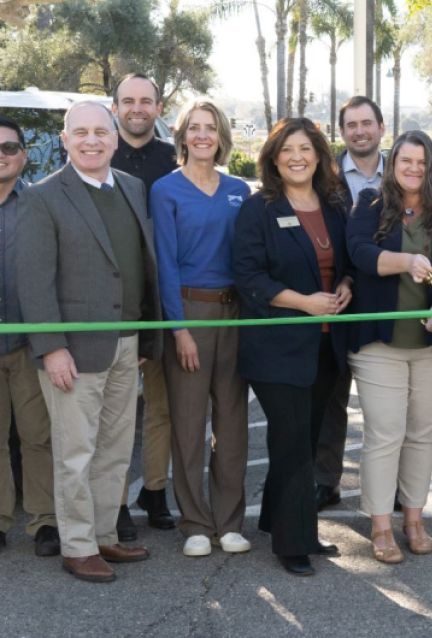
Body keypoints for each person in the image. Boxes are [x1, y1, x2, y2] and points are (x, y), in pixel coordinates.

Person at [18, 101, 161, 582]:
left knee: (115, 450)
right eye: (81, 133)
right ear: (65, 139)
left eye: (101, 132)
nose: (92, 141)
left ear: (115, 138)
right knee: (75, 452)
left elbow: (137, 263)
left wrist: (144, 332)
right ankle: (77, 546)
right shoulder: (44, 197)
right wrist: (51, 347)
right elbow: (33, 282)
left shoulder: (132, 188)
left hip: (126, 342)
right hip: (73, 351)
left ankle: (104, 536)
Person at [233, 118, 352, 576]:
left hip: (326, 347)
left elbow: (347, 263)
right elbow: (249, 276)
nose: (297, 157)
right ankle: (294, 542)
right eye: (287, 150)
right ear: (273, 158)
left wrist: (344, 286)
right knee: (292, 443)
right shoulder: (259, 208)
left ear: (319, 155)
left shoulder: (334, 206)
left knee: (306, 437)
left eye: (305, 148)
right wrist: (305, 302)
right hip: (276, 345)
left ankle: (275, 519)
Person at [347, 130, 432, 563]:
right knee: (384, 433)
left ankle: (413, 521)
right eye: (405, 162)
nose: (413, 169)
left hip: (431, 344)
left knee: (420, 433)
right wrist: (407, 262)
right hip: (380, 343)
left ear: (430, 165)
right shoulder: (369, 204)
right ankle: (381, 526)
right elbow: (359, 253)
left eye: (421, 162)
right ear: (392, 163)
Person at [151, 99, 252, 558]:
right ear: (182, 136)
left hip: (235, 315)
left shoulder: (238, 191)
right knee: (189, 424)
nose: (203, 136)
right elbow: (165, 266)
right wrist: (180, 330)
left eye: (211, 128)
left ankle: (229, 522)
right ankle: (194, 522)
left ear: (221, 135)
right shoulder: (165, 190)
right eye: (194, 128)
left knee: (233, 425)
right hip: (189, 313)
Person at [110, 73, 179, 539]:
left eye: (146, 101)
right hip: (110, 302)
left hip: (161, 299)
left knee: (162, 406)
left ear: (158, 107)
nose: (137, 108)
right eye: (128, 101)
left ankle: (154, 490)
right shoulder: (94, 153)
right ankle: (112, 501)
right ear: (115, 107)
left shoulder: (175, 160)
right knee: (112, 413)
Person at [314, 95, 386, 510]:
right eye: (351, 125)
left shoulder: (402, 171)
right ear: (342, 133)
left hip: (388, 300)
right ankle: (326, 480)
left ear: (381, 127)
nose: (359, 131)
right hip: (335, 299)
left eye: (367, 123)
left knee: (386, 402)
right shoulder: (325, 180)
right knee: (330, 398)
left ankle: (390, 481)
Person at [0, 116, 60, 558]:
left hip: (29, 341)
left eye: (8, 148)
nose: (1, 156)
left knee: (38, 435)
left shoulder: (40, 203)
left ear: (23, 155)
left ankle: (43, 522)